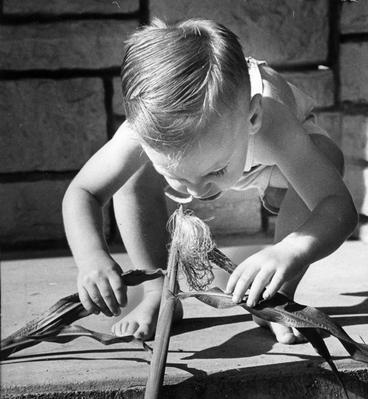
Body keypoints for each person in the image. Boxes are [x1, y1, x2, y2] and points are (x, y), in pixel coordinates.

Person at [62, 18, 357, 344]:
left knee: (327, 157)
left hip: (275, 161)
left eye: (214, 172)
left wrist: (291, 250)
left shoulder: (271, 123)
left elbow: (337, 206)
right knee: (131, 175)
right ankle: (158, 293)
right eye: (176, 177)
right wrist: (91, 258)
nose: (197, 191)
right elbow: (83, 191)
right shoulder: (141, 131)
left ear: (252, 117)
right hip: (234, 151)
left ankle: (274, 298)